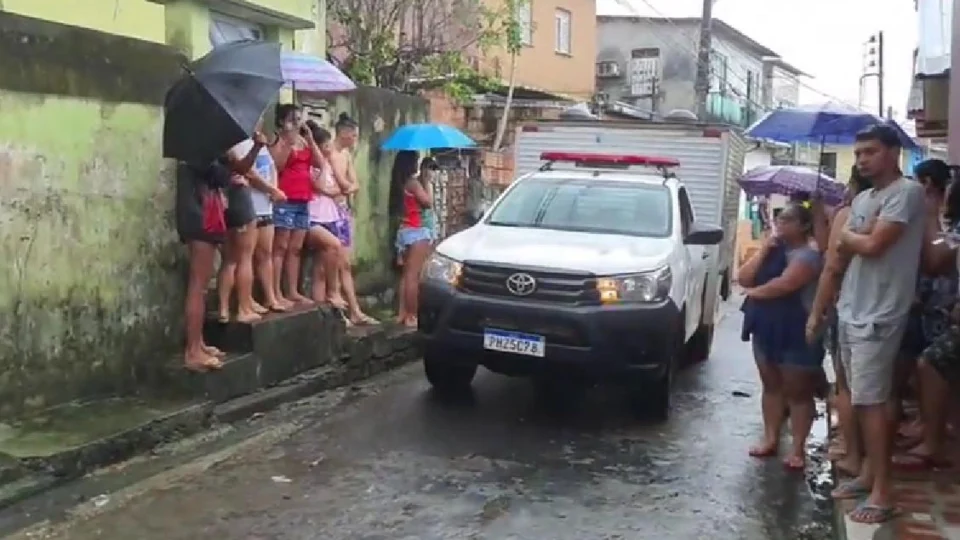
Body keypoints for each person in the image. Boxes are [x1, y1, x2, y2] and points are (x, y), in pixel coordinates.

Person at [827, 125, 926, 524]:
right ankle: (868, 473)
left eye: (871, 151)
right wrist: (855, 236)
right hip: (852, 306)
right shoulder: (867, 197)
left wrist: (853, 235)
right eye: (859, 152)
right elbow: (843, 245)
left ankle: (884, 491)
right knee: (858, 394)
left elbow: (870, 244)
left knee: (873, 403)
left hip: (879, 314)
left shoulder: (907, 192)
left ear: (893, 153)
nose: (863, 159)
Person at [738, 202, 824, 470]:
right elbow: (744, 276)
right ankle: (771, 437)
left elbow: (787, 284)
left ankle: (798, 448)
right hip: (765, 326)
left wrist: (755, 294)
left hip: (796, 327)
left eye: (787, 219)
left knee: (798, 390)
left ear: (803, 225)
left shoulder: (808, 255)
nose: (780, 224)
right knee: (771, 385)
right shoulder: (774, 249)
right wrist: (765, 248)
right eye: (779, 219)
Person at [176, 132, 267, 371]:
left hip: (202, 216)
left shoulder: (203, 148)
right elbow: (220, 175)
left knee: (203, 286)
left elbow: (236, 168)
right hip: (199, 218)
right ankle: (192, 351)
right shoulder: (198, 149)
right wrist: (231, 176)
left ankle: (199, 343)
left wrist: (255, 147)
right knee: (198, 286)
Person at [807, 166, 874, 478]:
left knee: (847, 386)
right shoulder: (889, 214)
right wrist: (820, 213)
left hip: (847, 305)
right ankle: (865, 457)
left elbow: (831, 264)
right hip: (882, 308)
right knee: (874, 391)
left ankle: (852, 451)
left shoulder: (849, 214)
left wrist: (816, 312)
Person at [893, 159, 959, 471]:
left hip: (943, 307)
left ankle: (934, 442)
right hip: (938, 307)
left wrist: (930, 217)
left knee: (931, 364)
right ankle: (933, 429)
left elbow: (936, 258)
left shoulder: (945, 223)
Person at [306, 122, 379, 326]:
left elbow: (353, 185)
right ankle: (333, 312)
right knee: (326, 265)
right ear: (344, 134)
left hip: (340, 213)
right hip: (323, 214)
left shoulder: (345, 156)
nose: (355, 140)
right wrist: (341, 184)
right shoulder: (322, 160)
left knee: (344, 263)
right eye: (354, 136)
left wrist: (344, 187)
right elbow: (331, 188)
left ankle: (354, 310)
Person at [217, 121, 288, 323]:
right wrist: (271, 189)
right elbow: (244, 169)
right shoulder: (235, 145)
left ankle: (233, 306)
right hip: (243, 201)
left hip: (247, 201)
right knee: (242, 258)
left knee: (235, 258)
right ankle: (242, 307)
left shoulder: (234, 144)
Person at [269, 104, 325, 305]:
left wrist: (309, 139)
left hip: (303, 198)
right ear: (282, 121)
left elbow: (319, 163)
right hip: (286, 197)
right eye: (293, 119)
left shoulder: (303, 141)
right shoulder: (279, 140)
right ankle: (275, 292)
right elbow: (277, 166)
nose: (297, 123)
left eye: (299, 119)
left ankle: (292, 290)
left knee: (295, 248)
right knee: (280, 246)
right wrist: (286, 143)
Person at [235, 119, 291, 313]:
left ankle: (270, 297)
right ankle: (246, 300)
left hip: (266, 205)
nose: (258, 122)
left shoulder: (261, 143)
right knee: (247, 255)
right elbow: (248, 172)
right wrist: (271, 189)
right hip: (251, 204)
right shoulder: (240, 144)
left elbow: (272, 168)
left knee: (266, 253)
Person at [305, 122, 349, 309]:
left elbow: (343, 188)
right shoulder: (311, 167)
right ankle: (333, 292)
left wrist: (330, 167)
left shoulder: (329, 165)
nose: (329, 150)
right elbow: (322, 187)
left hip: (329, 217)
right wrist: (323, 166)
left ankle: (320, 309)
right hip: (313, 217)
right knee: (334, 246)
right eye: (325, 147)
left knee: (320, 269)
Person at [394, 153, 437, 327]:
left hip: (405, 229)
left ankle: (402, 313)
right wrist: (426, 182)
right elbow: (428, 203)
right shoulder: (413, 183)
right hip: (417, 230)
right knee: (414, 276)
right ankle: (412, 315)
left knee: (405, 276)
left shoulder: (401, 182)